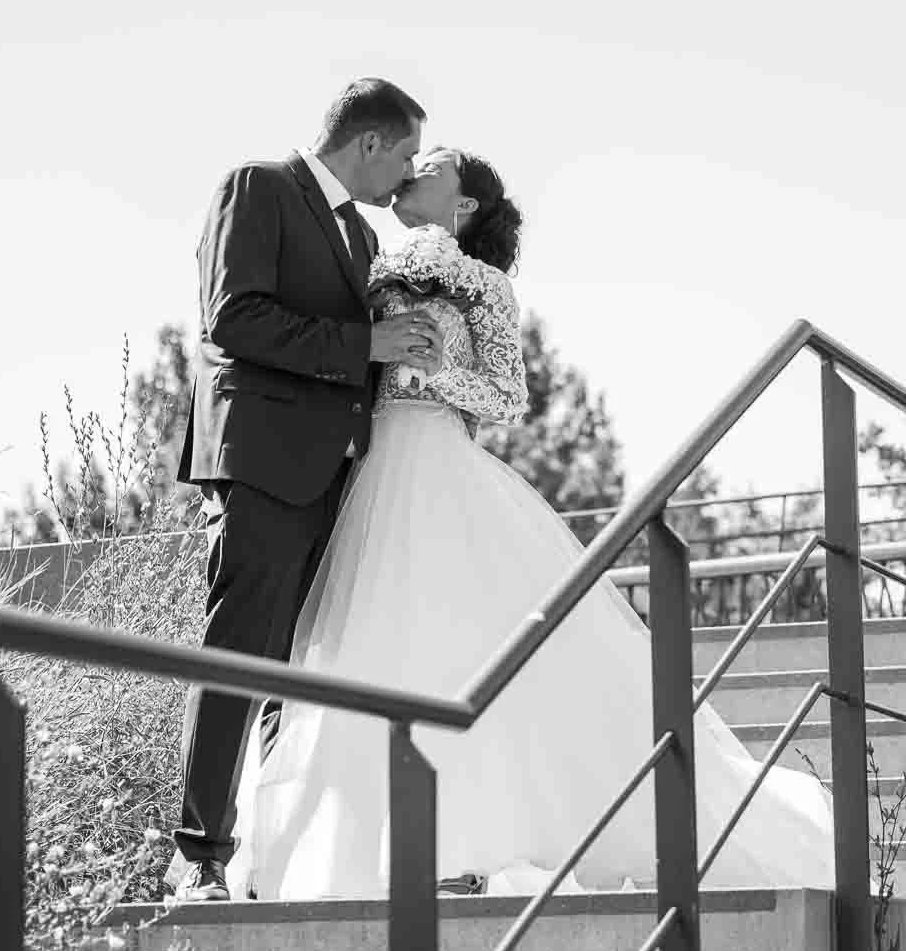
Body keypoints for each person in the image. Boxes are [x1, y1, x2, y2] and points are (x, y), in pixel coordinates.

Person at [224, 147, 836, 899]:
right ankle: (345, 850)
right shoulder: (369, 260)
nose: (414, 169)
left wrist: (427, 376)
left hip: (439, 468)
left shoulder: (482, 286)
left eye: (434, 164)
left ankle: (459, 844)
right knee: (357, 652)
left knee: (449, 648)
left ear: (465, 204)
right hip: (365, 476)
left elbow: (508, 395)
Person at [168, 78, 443, 902]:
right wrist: (367, 341)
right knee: (241, 652)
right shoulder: (259, 187)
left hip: (334, 477)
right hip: (261, 465)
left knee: (297, 673)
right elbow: (232, 318)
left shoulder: (359, 238)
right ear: (367, 144)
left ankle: (267, 854)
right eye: (400, 157)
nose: (403, 177)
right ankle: (199, 854)